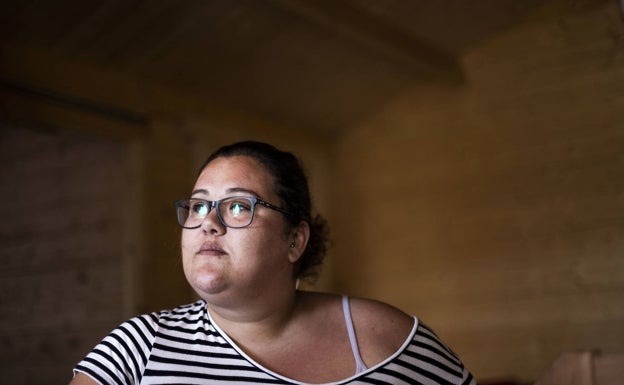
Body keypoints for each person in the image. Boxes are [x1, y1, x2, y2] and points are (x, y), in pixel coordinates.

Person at [70, 141, 477, 385]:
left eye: (237, 205)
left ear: (294, 240)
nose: (207, 223)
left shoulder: (383, 338)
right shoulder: (136, 348)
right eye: (197, 206)